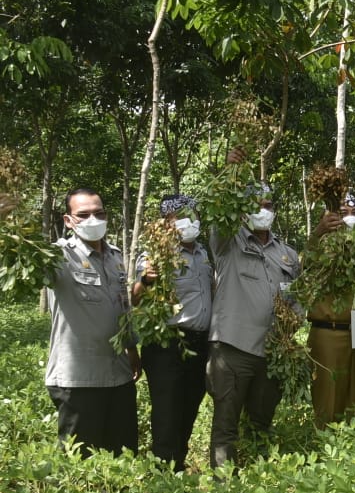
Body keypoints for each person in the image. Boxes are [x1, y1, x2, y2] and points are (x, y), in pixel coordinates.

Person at [206, 149, 301, 468]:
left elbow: (297, 295)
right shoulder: (228, 243)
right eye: (255, 206)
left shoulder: (286, 253)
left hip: (272, 352)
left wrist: (294, 320)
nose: (263, 211)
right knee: (225, 425)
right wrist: (230, 178)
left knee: (261, 421)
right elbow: (220, 215)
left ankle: (258, 479)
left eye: (268, 206)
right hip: (233, 349)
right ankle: (223, 486)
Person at [45, 187, 140, 456]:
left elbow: (123, 307)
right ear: (68, 220)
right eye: (83, 215)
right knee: (81, 464)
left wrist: (132, 350)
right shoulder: (58, 257)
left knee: (123, 457)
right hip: (78, 380)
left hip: (118, 375)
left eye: (98, 214)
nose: (92, 221)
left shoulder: (115, 257)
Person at [132, 194, 213, 471]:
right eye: (180, 216)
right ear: (166, 223)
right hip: (167, 345)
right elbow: (135, 298)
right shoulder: (155, 254)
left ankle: (177, 464)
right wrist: (145, 280)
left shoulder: (203, 253)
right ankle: (163, 474)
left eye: (193, 214)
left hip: (200, 345)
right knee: (167, 412)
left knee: (190, 407)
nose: (190, 221)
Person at [307, 192, 355, 431]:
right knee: (328, 400)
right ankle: (325, 452)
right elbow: (303, 269)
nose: (349, 218)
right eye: (343, 214)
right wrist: (318, 233)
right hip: (329, 333)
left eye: (354, 213)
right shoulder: (320, 246)